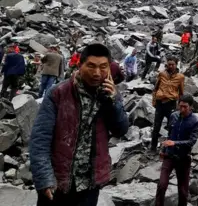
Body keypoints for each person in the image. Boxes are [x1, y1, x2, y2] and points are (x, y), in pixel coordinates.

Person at [30, 43, 129, 206]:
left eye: (103, 67)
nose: (97, 73)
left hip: (89, 185)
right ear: (80, 65)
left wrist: (113, 102)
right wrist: (44, 179)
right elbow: (40, 139)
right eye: (91, 66)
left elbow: (120, 130)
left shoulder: (110, 94)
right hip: (58, 182)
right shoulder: (58, 93)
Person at [155, 94, 198, 206]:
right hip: (169, 155)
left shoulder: (195, 121)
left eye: (185, 107)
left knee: (183, 190)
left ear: (191, 107)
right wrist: (163, 149)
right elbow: (170, 135)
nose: (182, 109)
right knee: (162, 184)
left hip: (183, 158)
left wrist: (175, 143)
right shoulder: (174, 116)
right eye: (180, 106)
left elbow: (192, 141)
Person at [151, 57, 185, 152]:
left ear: (176, 65)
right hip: (160, 103)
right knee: (156, 126)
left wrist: (180, 106)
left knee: (172, 127)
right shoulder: (162, 74)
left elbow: (181, 93)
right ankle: (153, 148)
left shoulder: (180, 77)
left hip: (171, 104)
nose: (170, 66)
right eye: (169, 64)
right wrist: (154, 101)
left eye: (172, 64)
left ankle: (169, 148)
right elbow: (155, 88)